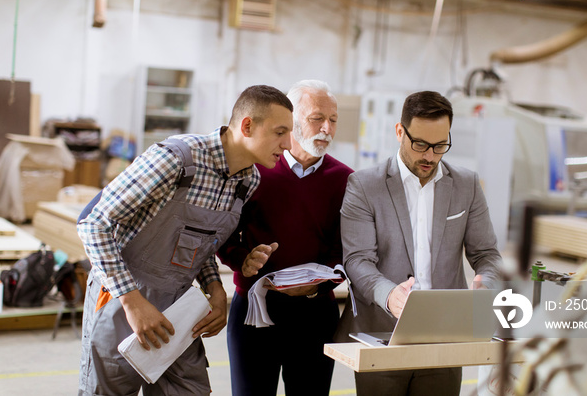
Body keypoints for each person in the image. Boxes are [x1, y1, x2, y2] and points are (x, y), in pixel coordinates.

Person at [77, 85, 294, 396]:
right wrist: (134, 303)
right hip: (121, 297)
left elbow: (197, 238)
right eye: (280, 132)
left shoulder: (248, 181)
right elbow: (93, 223)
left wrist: (215, 288)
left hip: (180, 305)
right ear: (247, 125)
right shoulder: (176, 160)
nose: (287, 143)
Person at [335, 90, 502, 396]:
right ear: (400, 131)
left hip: (447, 335)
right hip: (382, 334)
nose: (430, 156)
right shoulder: (364, 185)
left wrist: (487, 282)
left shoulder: (466, 186)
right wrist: (389, 296)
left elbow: (488, 254)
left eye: (440, 146)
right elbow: (357, 260)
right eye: (421, 144)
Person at [218, 80, 353, 396]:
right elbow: (223, 236)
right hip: (255, 310)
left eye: (333, 120)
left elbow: (345, 246)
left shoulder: (344, 179)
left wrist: (322, 282)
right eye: (317, 118)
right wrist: (243, 261)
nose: (327, 128)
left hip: (315, 313)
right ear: (292, 122)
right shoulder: (254, 170)